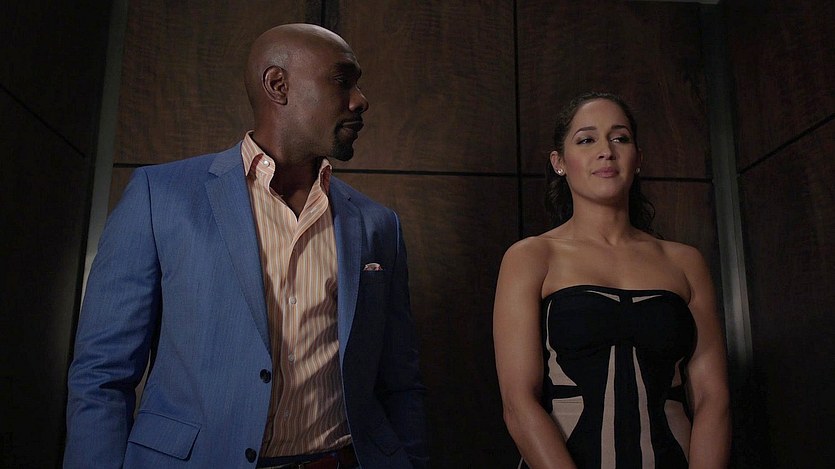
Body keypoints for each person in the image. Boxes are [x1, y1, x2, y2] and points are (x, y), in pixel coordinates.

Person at [64, 23, 428, 469]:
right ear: (278, 85)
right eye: (342, 80)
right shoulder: (159, 197)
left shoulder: (378, 225)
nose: (360, 100)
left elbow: (400, 382)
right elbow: (102, 374)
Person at [493, 92, 730, 468]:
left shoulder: (685, 262)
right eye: (587, 139)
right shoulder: (531, 258)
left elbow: (711, 397)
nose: (606, 151)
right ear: (559, 162)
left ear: (638, 159)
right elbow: (518, 402)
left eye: (620, 138)